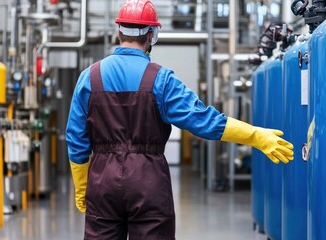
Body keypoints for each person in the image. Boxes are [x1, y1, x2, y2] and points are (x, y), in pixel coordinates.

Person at [66, 0, 294, 239]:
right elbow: (204, 120)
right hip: (147, 181)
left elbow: (76, 139)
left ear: (118, 31)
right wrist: (255, 135)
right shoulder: (161, 80)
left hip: (103, 181)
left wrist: (83, 187)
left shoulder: (88, 78)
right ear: (152, 35)